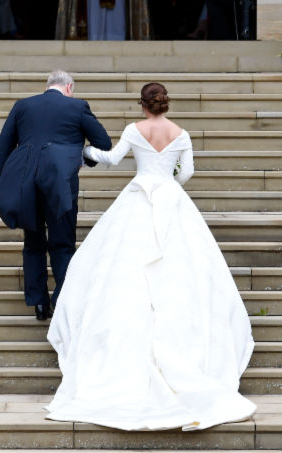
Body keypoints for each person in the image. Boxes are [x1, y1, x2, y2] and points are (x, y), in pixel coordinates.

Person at [45, 82, 256, 430]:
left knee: (117, 269)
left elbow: (112, 158)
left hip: (139, 196)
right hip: (171, 200)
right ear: (165, 105)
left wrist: (86, 153)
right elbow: (186, 173)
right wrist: (168, 179)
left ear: (142, 105)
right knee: (183, 271)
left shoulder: (134, 129)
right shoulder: (181, 133)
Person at [0, 70, 112, 321]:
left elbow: (3, 146)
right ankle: (63, 300)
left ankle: (38, 303)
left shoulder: (23, 106)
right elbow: (104, 142)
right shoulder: (77, 107)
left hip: (26, 184)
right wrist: (80, 159)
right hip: (60, 184)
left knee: (33, 243)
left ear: (49, 86)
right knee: (62, 244)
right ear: (68, 88)